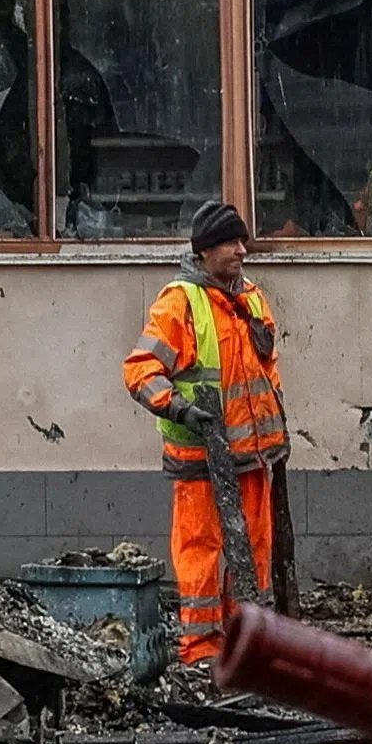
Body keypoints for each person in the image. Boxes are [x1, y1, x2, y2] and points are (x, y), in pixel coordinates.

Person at [122, 199, 286, 667]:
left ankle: (247, 644)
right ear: (205, 252)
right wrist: (178, 408)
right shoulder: (181, 302)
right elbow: (140, 370)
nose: (242, 250)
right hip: (200, 459)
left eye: (242, 242)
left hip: (252, 457)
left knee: (254, 550)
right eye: (232, 243)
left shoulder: (250, 297)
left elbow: (266, 370)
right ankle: (201, 651)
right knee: (201, 552)